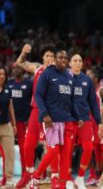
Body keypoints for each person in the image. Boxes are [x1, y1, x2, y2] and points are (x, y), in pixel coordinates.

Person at [30, 46, 78, 189]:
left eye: (65, 58)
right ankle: (36, 177)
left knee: (65, 155)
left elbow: (71, 100)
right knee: (53, 151)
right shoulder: (47, 74)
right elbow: (38, 95)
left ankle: (61, 185)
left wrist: (78, 117)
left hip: (68, 121)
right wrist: (44, 114)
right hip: (52, 120)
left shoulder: (70, 77)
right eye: (60, 57)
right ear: (55, 59)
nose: (63, 60)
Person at [15, 44, 58, 189]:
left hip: (51, 114)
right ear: (43, 58)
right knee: (28, 146)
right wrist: (23, 52)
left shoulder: (59, 72)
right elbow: (20, 63)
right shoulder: (38, 68)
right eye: (47, 56)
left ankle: (53, 177)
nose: (50, 59)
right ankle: (29, 174)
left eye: (52, 56)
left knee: (51, 147)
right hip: (36, 111)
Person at [69, 54, 103, 189]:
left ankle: (80, 177)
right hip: (69, 120)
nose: (78, 63)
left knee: (88, 148)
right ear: (70, 64)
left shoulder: (87, 81)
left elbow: (94, 104)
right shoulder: (65, 79)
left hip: (85, 119)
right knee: (67, 150)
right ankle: (67, 178)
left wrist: (99, 122)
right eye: (75, 61)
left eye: (80, 60)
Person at [7, 64, 32, 184]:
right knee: (7, 150)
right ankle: (7, 177)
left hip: (24, 122)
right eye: (13, 68)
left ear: (23, 69)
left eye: (17, 68)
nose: (15, 70)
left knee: (24, 150)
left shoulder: (29, 84)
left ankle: (25, 175)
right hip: (10, 122)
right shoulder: (9, 84)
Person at [86, 67, 103, 186]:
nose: (86, 76)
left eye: (89, 74)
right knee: (93, 151)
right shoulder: (87, 89)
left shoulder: (101, 90)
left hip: (100, 124)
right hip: (89, 123)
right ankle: (94, 175)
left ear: (95, 78)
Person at [0, 67, 16, 187]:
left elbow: (11, 108)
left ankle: (9, 178)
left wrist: (14, 124)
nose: (2, 76)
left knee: (10, 153)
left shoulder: (7, 89)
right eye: (0, 73)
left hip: (6, 125)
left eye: (3, 74)